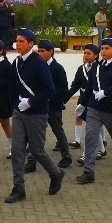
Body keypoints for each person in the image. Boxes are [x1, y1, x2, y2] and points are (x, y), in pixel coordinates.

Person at [5, 28, 65, 204]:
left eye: (22, 41)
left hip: (36, 113)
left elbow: (49, 89)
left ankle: (56, 173)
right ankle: (18, 188)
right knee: (17, 150)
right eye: (17, 41)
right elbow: (12, 87)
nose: (18, 44)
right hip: (19, 112)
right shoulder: (16, 63)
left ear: (31, 44)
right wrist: (15, 105)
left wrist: (31, 102)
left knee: (37, 150)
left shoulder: (38, 63)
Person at [75, 39, 112, 184]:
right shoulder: (97, 66)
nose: (103, 51)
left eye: (107, 48)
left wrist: (105, 92)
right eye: (102, 49)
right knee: (91, 137)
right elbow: (90, 86)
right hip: (95, 107)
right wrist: (82, 104)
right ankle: (88, 172)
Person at [37, 40, 72, 169]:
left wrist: (50, 97)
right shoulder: (38, 66)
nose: (40, 54)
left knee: (58, 130)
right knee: (35, 132)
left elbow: (63, 88)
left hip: (53, 106)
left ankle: (66, 157)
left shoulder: (57, 68)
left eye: (42, 51)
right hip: (39, 105)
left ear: (51, 52)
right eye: (38, 51)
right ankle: (31, 160)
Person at [65, 44, 100, 149]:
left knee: (94, 122)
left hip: (94, 98)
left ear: (96, 55)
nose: (85, 55)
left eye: (88, 53)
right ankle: (77, 141)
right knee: (78, 116)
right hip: (83, 96)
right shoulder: (81, 68)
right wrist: (64, 99)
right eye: (84, 53)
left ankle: (101, 143)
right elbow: (75, 86)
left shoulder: (99, 67)